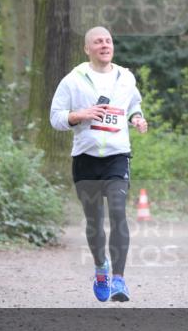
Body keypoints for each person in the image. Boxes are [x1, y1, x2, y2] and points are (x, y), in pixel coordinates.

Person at [50, 26, 147, 302]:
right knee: (94, 221)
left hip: (117, 156)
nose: (105, 45)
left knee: (118, 212)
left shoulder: (125, 77)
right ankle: (100, 268)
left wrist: (137, 118)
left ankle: (119, 279)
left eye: (108, 41)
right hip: (85, 159)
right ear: (87, 48)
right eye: (98, 41)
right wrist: (79, 115)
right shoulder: (73, 80)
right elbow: (55, 118)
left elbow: (133, 104)